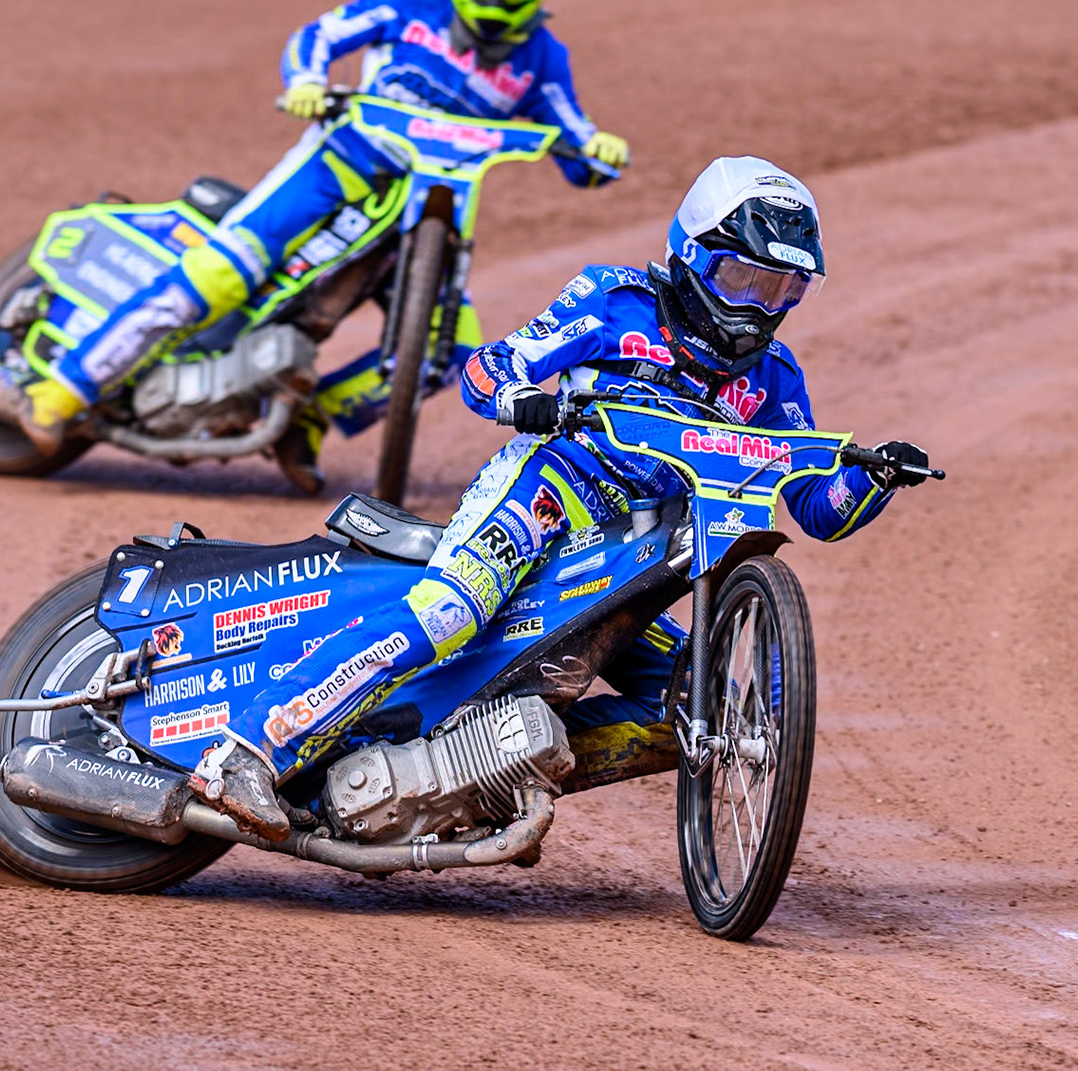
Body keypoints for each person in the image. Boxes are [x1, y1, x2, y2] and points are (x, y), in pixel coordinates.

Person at [188, 156, 931, 841]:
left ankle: (484, 779)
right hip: (547, 491)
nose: (760, 306)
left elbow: (815, 507)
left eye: (782, 289)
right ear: (695, 254)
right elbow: (487, 368)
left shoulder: (776, 379)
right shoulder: (614, 301)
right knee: (450, 608)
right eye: (745, 279)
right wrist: (522, 398)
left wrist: (872, 476)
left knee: (688, 703)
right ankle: (242, 752)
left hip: (630, 559)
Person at [18, 0, 629, 493]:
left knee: (451, 354)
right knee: (223, 273)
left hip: (431, 216)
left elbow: (575, 141)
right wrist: (307, 78)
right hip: (338, 167)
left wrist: (598, 149)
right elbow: (321, 36)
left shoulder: (542, 56)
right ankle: (65, 387)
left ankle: (307, 418)